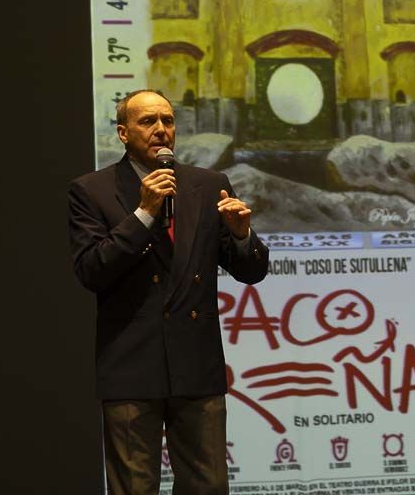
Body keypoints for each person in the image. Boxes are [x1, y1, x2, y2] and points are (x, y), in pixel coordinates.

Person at [69, 90, 270, 494]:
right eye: (148, 122)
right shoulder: (92, 190)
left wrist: (242, 235)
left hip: (196, 364)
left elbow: (250, 271)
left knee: (207, 486)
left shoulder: (209, 184)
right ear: (123, 133)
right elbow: (92, 270)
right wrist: (143, 214)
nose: (161, 130)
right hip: (130, 366)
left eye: (168, 121)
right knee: (134, 488)